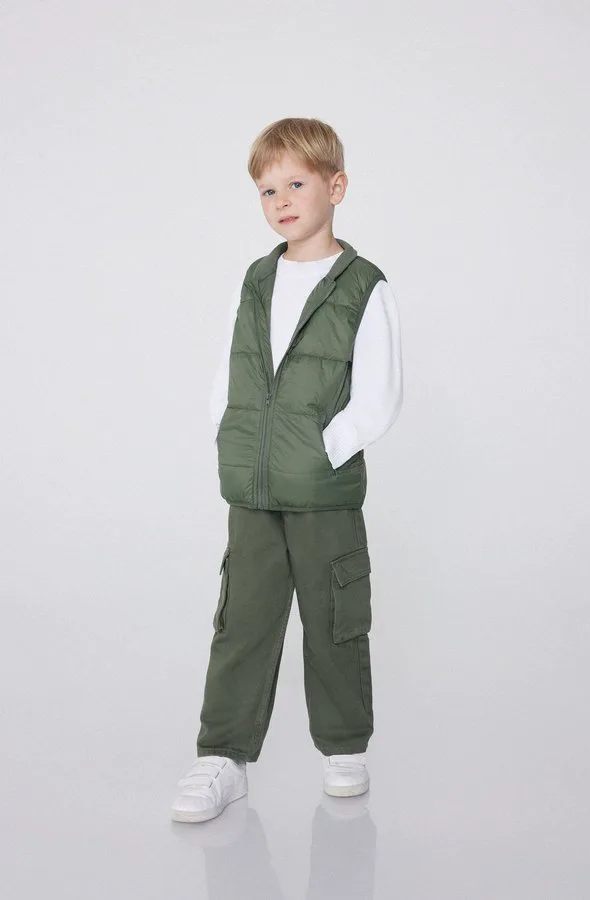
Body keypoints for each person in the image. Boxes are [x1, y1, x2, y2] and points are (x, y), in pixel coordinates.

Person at [171, 117, 403, 823]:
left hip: (323, 489)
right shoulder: (257, 279)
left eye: (297, 184)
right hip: (253, 484)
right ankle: (223, 755)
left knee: (335, 619)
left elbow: (380, 394)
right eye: (268, 190)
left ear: (337, 187)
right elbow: (231, 367)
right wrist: (229, 434)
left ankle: (344, 748)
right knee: (242, 618)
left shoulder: (363, 286)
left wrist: (325, 448)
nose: (281, 201)